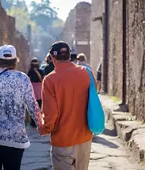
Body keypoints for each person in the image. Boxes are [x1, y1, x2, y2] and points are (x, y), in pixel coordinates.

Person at [0, 45, 43, 170]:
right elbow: (33, 105)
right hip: (15, 136)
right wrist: (40, 125)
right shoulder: (23, 78)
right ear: (15, 61)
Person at [39, 41, 93, 170]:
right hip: (84, 137)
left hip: (63, 139)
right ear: (69, 56)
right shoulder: (86, 73)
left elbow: (51, 113)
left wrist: (45, 129)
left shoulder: (50, 80)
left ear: (52, 57)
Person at [27, 58, 45, 127]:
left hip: (39, 87)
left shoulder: (40, 71)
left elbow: (42, 79)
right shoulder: (30, 71)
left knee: (39, 105)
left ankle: (39, 120)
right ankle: (33, 121)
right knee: (33, 105)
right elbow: (28, 79)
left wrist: (36, 72)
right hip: (33, 87)